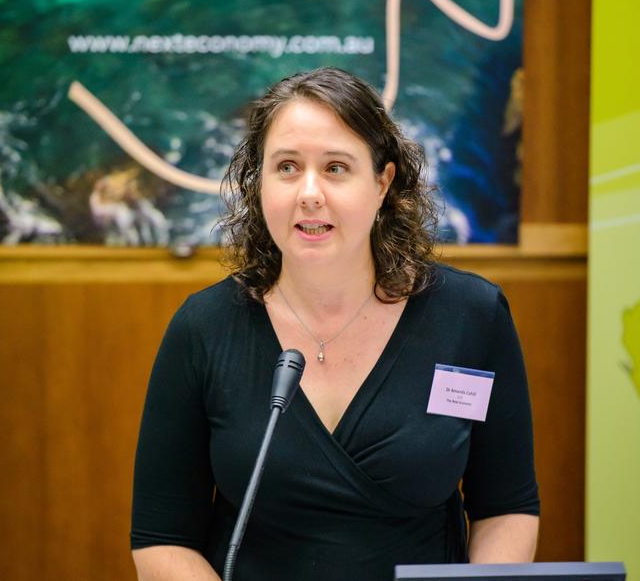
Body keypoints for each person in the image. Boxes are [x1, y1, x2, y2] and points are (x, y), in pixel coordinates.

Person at [131, 67, 539, 581]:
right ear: (259, 184)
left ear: (383, 182)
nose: (309, 192)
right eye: (286, 167)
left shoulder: (470, 316)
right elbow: (161, 538)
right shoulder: (204, 328)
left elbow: (506, 505)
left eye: (336, 168)